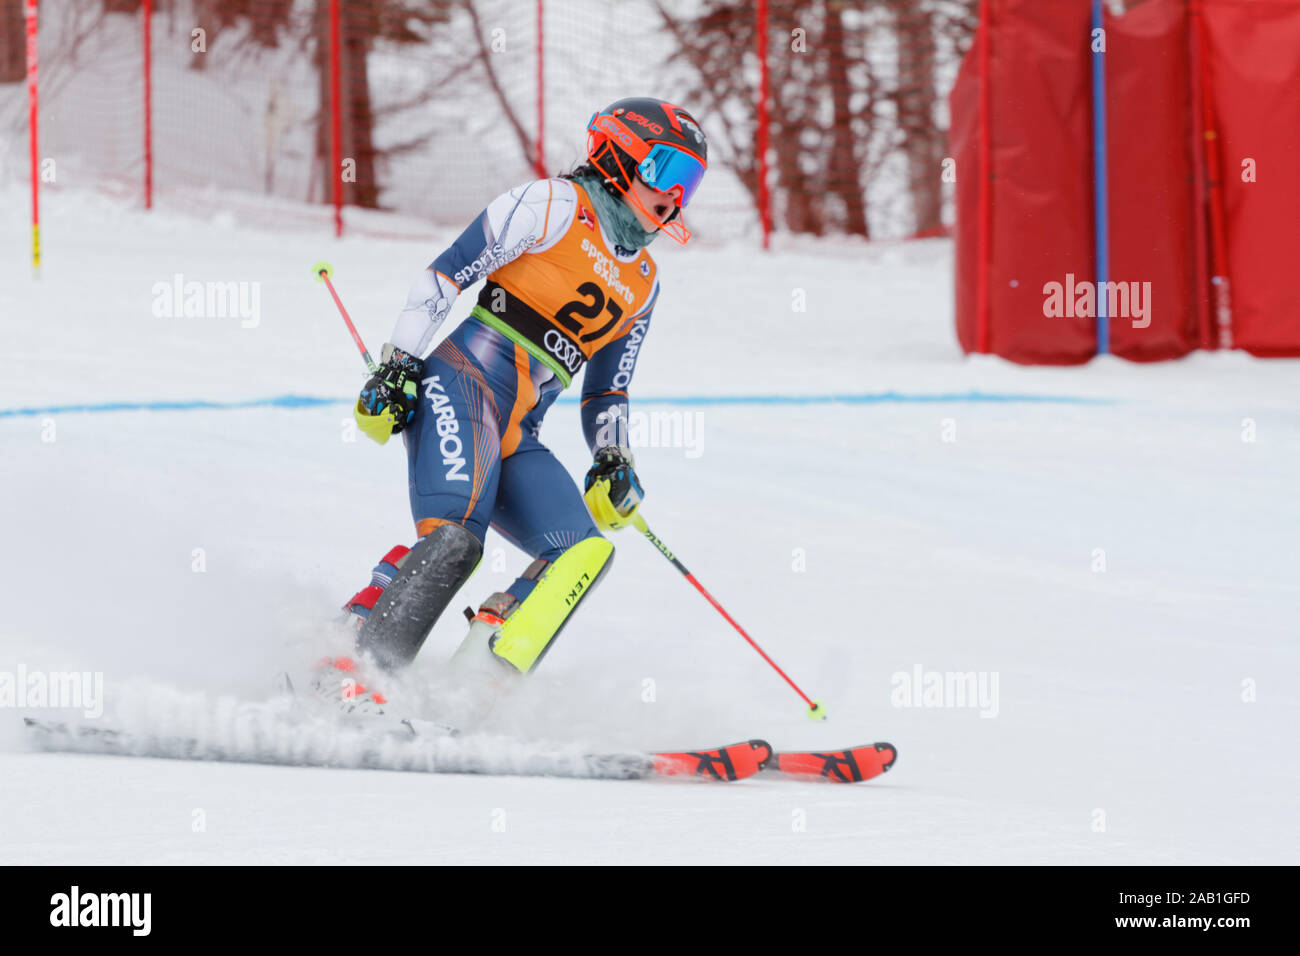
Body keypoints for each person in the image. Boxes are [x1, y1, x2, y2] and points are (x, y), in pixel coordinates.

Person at [311, 97, 708, 725]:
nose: (676, 198)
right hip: (459, 385)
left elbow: (608, 390)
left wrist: (613, 457)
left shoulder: (645, 282)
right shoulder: (552, 205)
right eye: (668, 172)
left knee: (582, 552)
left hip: (518, 432)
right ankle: (348, 667)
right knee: (454, 544)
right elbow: (444, 278)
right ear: (618, 154)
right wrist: (399, 366)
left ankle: (469, 691)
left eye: (690, 185)